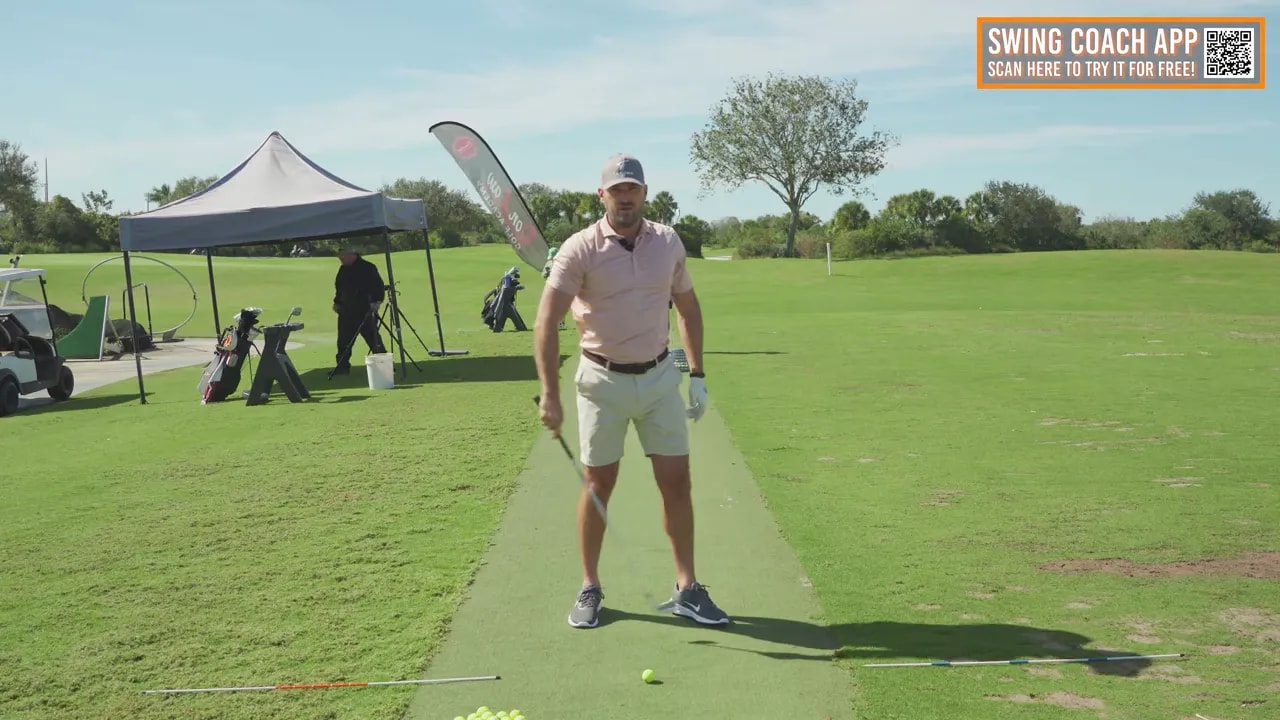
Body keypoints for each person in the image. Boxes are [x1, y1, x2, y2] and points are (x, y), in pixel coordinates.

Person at [533, 152, 724, 629]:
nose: (624, 198)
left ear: (644, 193)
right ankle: (589, 587)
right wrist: (550, 394)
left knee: (677, 482)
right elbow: (545, 323)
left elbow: (688, 308)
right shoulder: (580, 248)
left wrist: (696, 374)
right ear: (602, 195)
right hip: (602, 381)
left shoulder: (668, 242)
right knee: (599, 485)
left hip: (659, 377)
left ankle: (687, 587)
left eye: (631, 189)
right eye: (615, 190)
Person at [331, 248, 387, 374]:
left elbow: (378, 286)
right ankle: (342, 367)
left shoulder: (368, 268)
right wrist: (337, 302)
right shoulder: (343, 269)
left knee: (373, 339)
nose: (340, 259)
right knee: (343, 341)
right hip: (346, 310)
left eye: (342, 256)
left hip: (364, 309)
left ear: (352, 255)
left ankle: (384, 365)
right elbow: (339, 288)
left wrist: (376, 302)